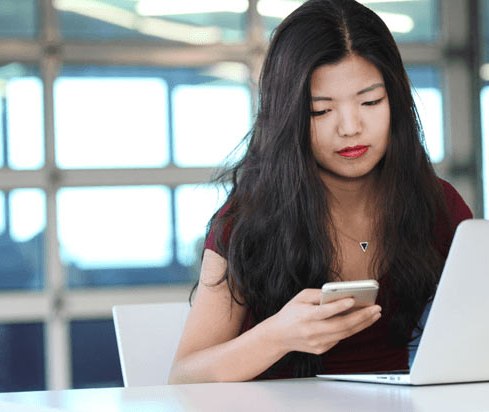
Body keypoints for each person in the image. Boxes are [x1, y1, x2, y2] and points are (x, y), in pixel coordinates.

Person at [168, 0, 472, 384]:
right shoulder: (248, 218)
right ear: (288, 116)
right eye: (320, 110)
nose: (350, 127)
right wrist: (277, 336)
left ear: (395, 102)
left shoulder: (436, 204)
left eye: (370, 102)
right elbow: (183, 379)